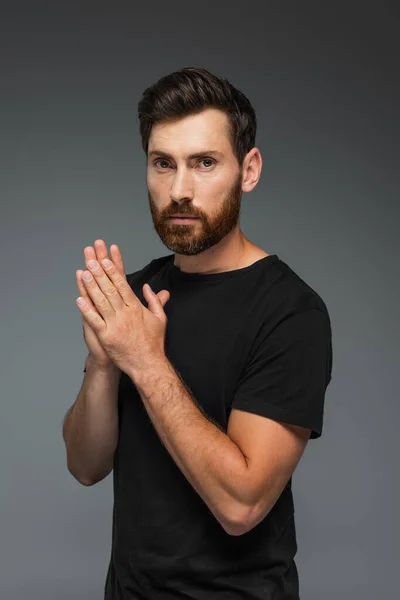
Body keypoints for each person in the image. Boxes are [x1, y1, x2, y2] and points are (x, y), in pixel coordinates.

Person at [62, 67, 333, 600]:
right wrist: (102, 364)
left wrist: (144, 360)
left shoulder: (291, 313)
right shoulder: (134, 294)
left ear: (248, 170)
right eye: (163, 164)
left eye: (204, 163)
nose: (179, 190)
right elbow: (85, 466)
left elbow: (242, 505)